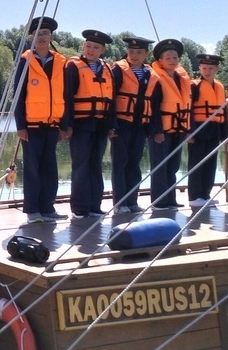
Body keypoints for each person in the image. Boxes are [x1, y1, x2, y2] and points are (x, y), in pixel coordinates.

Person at [12, 16, 66, 224]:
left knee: (50, 169)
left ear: (51, 36)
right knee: (33, 169)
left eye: (45, 34)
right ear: (32, 37)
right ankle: (33, 210)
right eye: (37, 34)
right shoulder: (25, 62)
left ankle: (47, 207)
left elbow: (66, 95)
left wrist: (64, 125)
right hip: (31, 127)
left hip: (52, 125)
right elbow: (18, 95)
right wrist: (20, 126)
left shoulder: (60, 62)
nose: (41, 38)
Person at [62, 29, 115, 217]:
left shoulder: (107, 69)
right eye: (88, 46)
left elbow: (112, 100)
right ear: (84, 46)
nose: (91, 50)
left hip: (101, 125)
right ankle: (79, 207)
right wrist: (66, 125)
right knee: (81, 165)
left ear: (103, 50)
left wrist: (111, 126)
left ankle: (94, 206)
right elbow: (67, 96)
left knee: (96, 165)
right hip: (81, 124)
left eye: (96, 47)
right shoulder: (73, 66)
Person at [109, 35, 158, 213]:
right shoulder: (118, 70)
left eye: (139, 52)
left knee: (134, 164)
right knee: (119, 164)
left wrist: (152, 128)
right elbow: (111, 98)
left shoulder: (150, 74)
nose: (134, 55)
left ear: (147, 53)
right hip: (122, 124)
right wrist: (112, 124)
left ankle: (132, 201)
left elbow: (153, 103)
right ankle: (120, 203)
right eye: (131, 51)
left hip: (140, 126)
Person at [147, 39, 192, 209]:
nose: (172, 60)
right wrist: (156, 131)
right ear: (159, 61)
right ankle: (159, 202)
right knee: (159, 166)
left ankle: (170, 199)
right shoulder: (156, 78)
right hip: (162, 130)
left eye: (175, 57)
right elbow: (153, 107)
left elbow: (187, 104)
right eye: (168, 57)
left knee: (173, 166)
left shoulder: (182, 79)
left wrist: (187, 129)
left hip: (178, 128)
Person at [187, 53, 228, 206]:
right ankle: (194, 196)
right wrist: (189, 131)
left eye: (211, 68)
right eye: (204, 68)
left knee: (210, 163)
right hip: (198, 128)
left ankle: (205, 194)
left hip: (214, 129)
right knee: (196, 163)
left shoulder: (220, 87)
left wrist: (225, 134)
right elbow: (188, 109)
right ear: (200, 68)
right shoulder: (194, 86)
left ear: (217, 69)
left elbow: (223, 111)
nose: (207, 71)